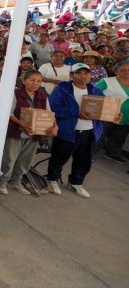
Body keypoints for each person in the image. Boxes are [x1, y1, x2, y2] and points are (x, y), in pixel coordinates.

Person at [47, 64, 111, 198]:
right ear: (72, 75)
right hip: (67, 131)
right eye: (79, 73)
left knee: (84, 160)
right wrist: (77, 113)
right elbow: (53, 107)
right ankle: (52, 179)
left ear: (90, 75)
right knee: (59, 157)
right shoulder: (62, 88)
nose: (83, 76)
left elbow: (104, 109)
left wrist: (113, 115)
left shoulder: (95, 91)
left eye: (86, 73)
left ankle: (76, 182)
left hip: (89, 131)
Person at [0, 70, 56, 195]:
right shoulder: (15, 93)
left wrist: (54, 127)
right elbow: (9, 113)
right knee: (9, 159)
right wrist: (22, 124)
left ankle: (15, 181)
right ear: (24, 81)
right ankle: (2, 182)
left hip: (34, 134)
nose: (35, 83)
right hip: (15, 133)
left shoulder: (42, 95)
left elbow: (49, 114)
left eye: (39, 81)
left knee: (25, 160)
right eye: (32, 80)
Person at [96, 60, 129, 164]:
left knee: (119, 136)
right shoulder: (107, 82)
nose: (127, 72)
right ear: (116, 71)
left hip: (126, 117)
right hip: (107, 114)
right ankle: (90, 152)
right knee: (100, 134)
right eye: (123, 70)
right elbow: (93, 93)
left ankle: (112, 153)